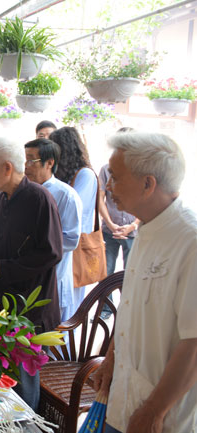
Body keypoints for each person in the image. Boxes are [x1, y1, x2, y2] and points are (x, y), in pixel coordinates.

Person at [92, 132, 197, 433]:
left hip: (160, 417)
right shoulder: (147, 228)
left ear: (148, 184)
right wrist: (110, 360)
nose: (108, 187)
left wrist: (154, 410)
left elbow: (194, 342)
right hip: (122, 399)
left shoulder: (189, 241)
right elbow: (130, 307)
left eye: (115, 177)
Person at [0, 137, 62, 411]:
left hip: (28, 309)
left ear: (7, 168)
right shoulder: (1, 199)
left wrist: (0, 268)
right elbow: (2, 247)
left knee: (23, 385)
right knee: (0, 377)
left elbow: (51, 253)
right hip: (1, 305)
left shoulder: (39, 199)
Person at [24, 138, 82, 323]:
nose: (26, 166)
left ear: (49, 163)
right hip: (26, 275)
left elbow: (71, 239)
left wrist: (36, 243)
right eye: (24, 159)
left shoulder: (66, 195)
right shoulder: (24, 191)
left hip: (54, 276)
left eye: (31, 160)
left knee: (50, 333)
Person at [50, 126, 98, 307]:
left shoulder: (85, 174)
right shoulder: (64, 174)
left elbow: (76, 207)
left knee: (72, 300)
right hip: (63, 244)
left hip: (77, 244)